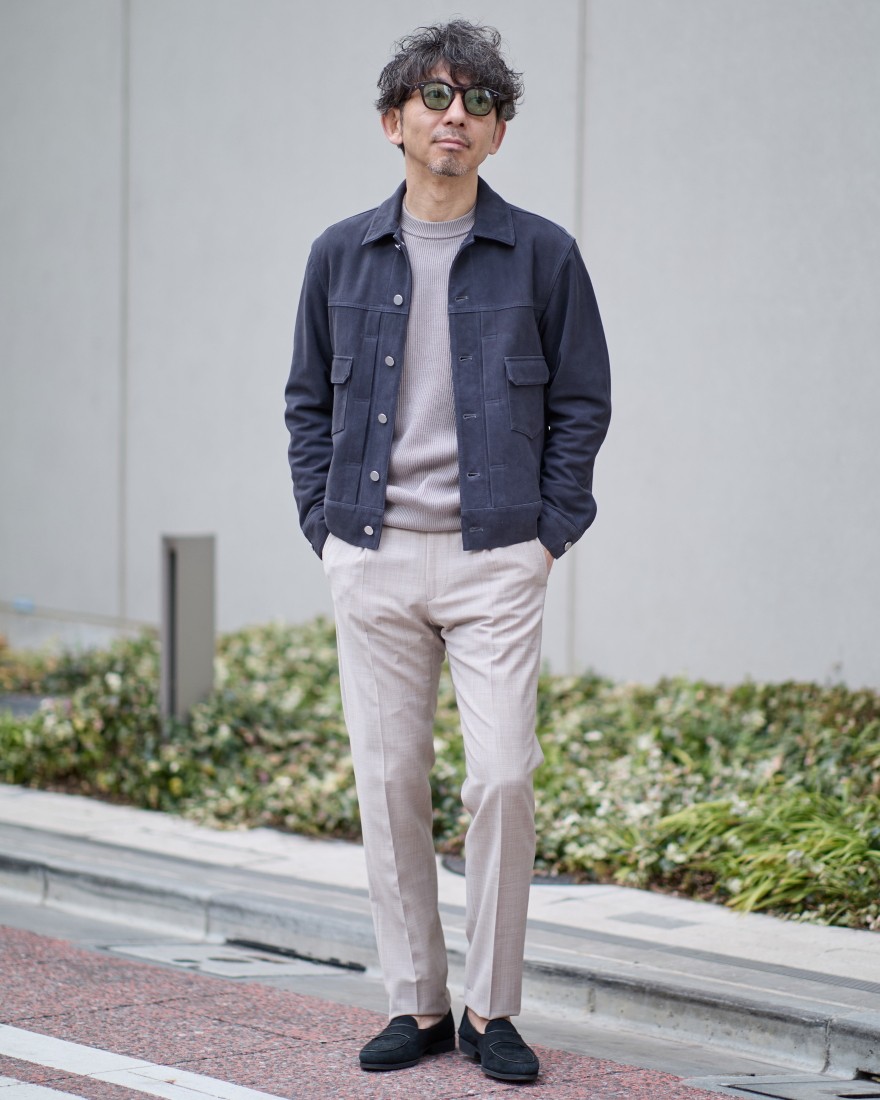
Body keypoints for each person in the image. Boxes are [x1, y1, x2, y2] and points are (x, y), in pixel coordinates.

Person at [284, 20, 610, 1083]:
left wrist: (548, 534)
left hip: (496, 558)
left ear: (498, 132)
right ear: (394, 121)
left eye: (478, 102)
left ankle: (490, 1008)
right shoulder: (340, 253)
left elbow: (582, 402)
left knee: (503, 776)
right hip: (370, 551)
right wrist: (324, 527)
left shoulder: (544, 255)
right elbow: (305, 401)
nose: (454, 116)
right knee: (389, 783)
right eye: (433, 97)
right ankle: (417, 1002)